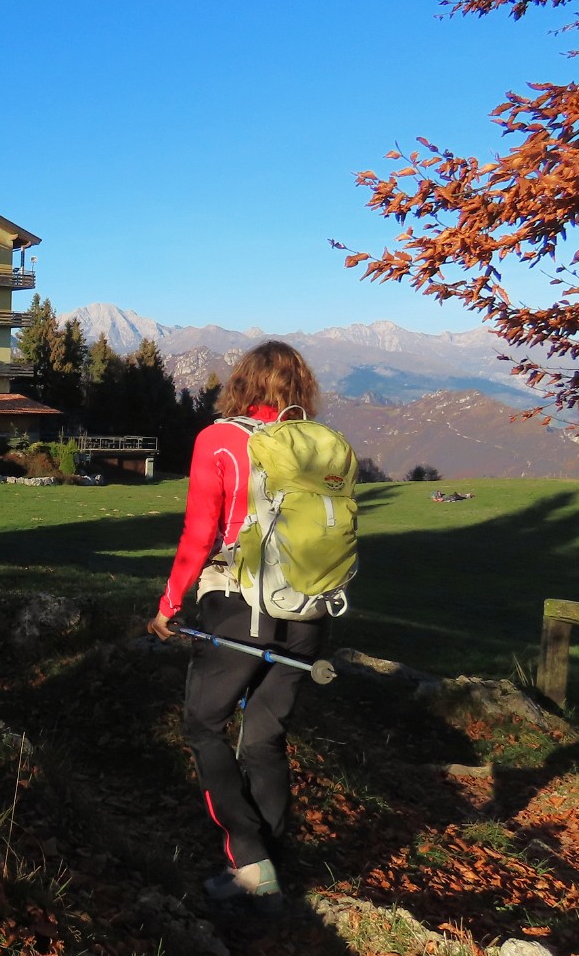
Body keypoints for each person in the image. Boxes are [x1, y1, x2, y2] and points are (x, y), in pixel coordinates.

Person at [148, 340, 333, 912]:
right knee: (265, 738)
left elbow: (201, 531)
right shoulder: (321, 446)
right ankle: (275, 867)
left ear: (242, 383)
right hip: (309, 612)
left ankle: (251, 861)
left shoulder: (220, 439)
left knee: (204, 725)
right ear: (300, 389)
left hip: (238, 606)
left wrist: (169, 603)